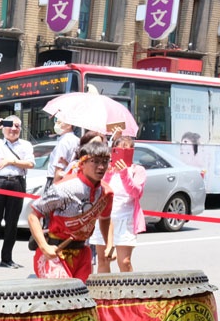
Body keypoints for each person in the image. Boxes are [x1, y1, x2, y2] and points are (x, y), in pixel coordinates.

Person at [28, 132, 113, 281]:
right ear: (82, 163)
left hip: (83, 254)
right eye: (95, 161)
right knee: (62, 299)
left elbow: (105, 218)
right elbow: (33, 215)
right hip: (56, 254)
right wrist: (44, 246)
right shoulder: (64, 189)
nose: (101, 167)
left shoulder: (106, 193)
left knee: (83, 301)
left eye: (105, 161)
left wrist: (109, 243)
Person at [0, 115, 34, 268]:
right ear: (3, 127)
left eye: (17, 126)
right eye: (10, 125)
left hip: (17, 183)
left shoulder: (26, 145)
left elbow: (30, 163)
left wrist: (11, 161)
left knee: (12, 222)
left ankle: (7, 258)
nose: (14, 129)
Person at [91, 135, 145, 273]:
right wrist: (107, 173)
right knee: (103, 260)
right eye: (120, 149)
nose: (124, 152)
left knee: (124, 262)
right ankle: (103, 293)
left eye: (128, 149)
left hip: (125, 219)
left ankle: (130, 293)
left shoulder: (137, 170)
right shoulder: (106, 169)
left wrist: (124, 174)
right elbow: (99, 190)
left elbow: (136, 193)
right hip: (105, 218)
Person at [47, 120, 80, 185]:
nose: (56, 124)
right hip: (70, 177)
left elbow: (59, 168)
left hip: (56, 178)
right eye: (56, 122)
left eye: (60, 122)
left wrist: (54, 187)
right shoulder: (77, 140)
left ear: (69, 125)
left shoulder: (64, 142)